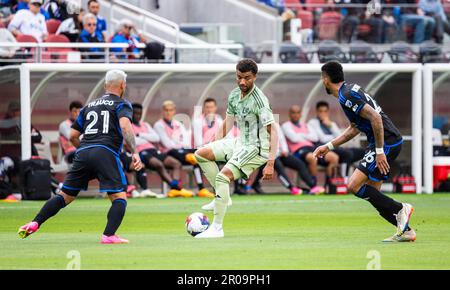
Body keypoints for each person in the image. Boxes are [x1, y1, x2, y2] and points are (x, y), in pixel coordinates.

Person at [18, 69, 143, 244]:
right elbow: (125, 126)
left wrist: (85, 150)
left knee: (65, 196)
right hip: (106, 151)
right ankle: (109, 235)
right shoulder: (122, 104)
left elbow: (72, 136)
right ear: (123, 85)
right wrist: (135, 152)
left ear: (105, 85)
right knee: (118, 196)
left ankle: (34, 223)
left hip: (83, 152)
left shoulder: (88, 106)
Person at [316, 61, 415, 242]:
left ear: (326, 79)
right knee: (373, 194)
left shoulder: (346, 96)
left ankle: (401, 208)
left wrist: (379, 151)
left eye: (322, 78)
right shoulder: (350, 90)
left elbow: (375, 118)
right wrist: (329, 146)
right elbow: (354, 128)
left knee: (354, 185)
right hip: (386, 142)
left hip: (386, 143)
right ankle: (406, 231)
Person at [194, 59, 277, 238]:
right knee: (201, 154)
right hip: (240, 142)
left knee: (223, 178)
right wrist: (213, 142)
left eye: (247, 78)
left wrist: (270, 162)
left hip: (257, 148)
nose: (242, 82)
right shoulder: (233, 94)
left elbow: (273, 131)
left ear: (255, 77)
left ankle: (216, 228)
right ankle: (222, 197)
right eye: (239, 77)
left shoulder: (260, 101)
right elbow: (228, 122)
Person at [130, 102, 194, 198]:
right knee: (159, 164)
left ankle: (174, 188)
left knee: (176, 163)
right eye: (135, 113)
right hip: (141, 152)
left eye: (139, 113)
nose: (137, 116)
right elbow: (132, 141)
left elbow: (156, 138)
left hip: (153, 150)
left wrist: (140, 135)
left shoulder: (145, 125)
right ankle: (176, 188)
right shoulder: (129, 126)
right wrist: (146, 138)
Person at [154, 100, 214, 198]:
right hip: (167, 153)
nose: (168, 112)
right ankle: (175, 190)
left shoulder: (178, 124)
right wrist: (178, 143)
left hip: (181, 152)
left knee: (197, 154)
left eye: (171, 110)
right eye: (166, 110)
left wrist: (179, 144)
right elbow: (167, 144)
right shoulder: (159, 125)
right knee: (186, 155)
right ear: (163, 111)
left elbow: (186, 141)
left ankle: (201, 189)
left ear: (174, 111)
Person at [251, 123, 323, 195]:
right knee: (278, 166)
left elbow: (281, 138)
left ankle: (313, 186)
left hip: (279, 154)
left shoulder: (274, 124)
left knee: (299, 164)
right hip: (265, 156)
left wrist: (284, 150)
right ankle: (292, 188)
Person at [282, 105, 339, 189]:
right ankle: (314, 185)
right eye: (293, 113)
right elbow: (293, 138)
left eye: (298, 113)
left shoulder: (306, 125)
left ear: (300, 114)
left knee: (334, 157)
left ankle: (329, 184)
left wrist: (300, 135)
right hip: (298, 151)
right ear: (289, 114)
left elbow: (315, 137)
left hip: (312, 148)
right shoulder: (286, 125)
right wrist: (306, 135)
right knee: (312, 158)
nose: (295, 115)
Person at [308, 101, 365, 175]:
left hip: (336, 147)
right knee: (347, 154)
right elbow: (321, 138)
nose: (323, 113)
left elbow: (340, 137)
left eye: (325, 111)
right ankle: (344, 178)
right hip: (323, 148)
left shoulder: (331, 123)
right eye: (320, 111)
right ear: (317, 112)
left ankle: (359, 176)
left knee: (362, 151)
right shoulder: (312, 123)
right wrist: (333, 138)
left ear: (328, 112)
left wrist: (330, 126)